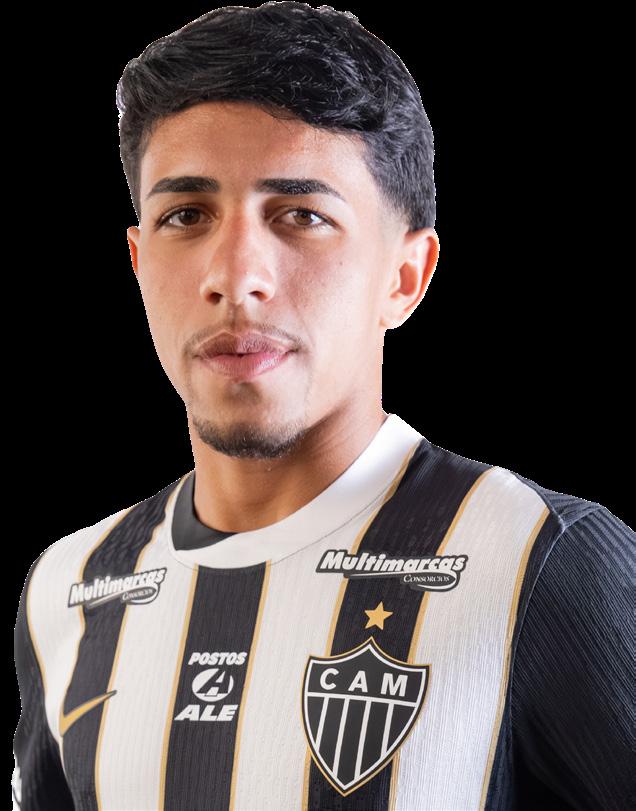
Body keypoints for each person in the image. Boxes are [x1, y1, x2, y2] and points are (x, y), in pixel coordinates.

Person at [12, 3, 634, 810]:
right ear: (138, 260)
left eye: (301, 215)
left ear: (405, 277)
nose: (235, 275)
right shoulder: (70, 587)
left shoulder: (539, 559)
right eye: (186, 215)